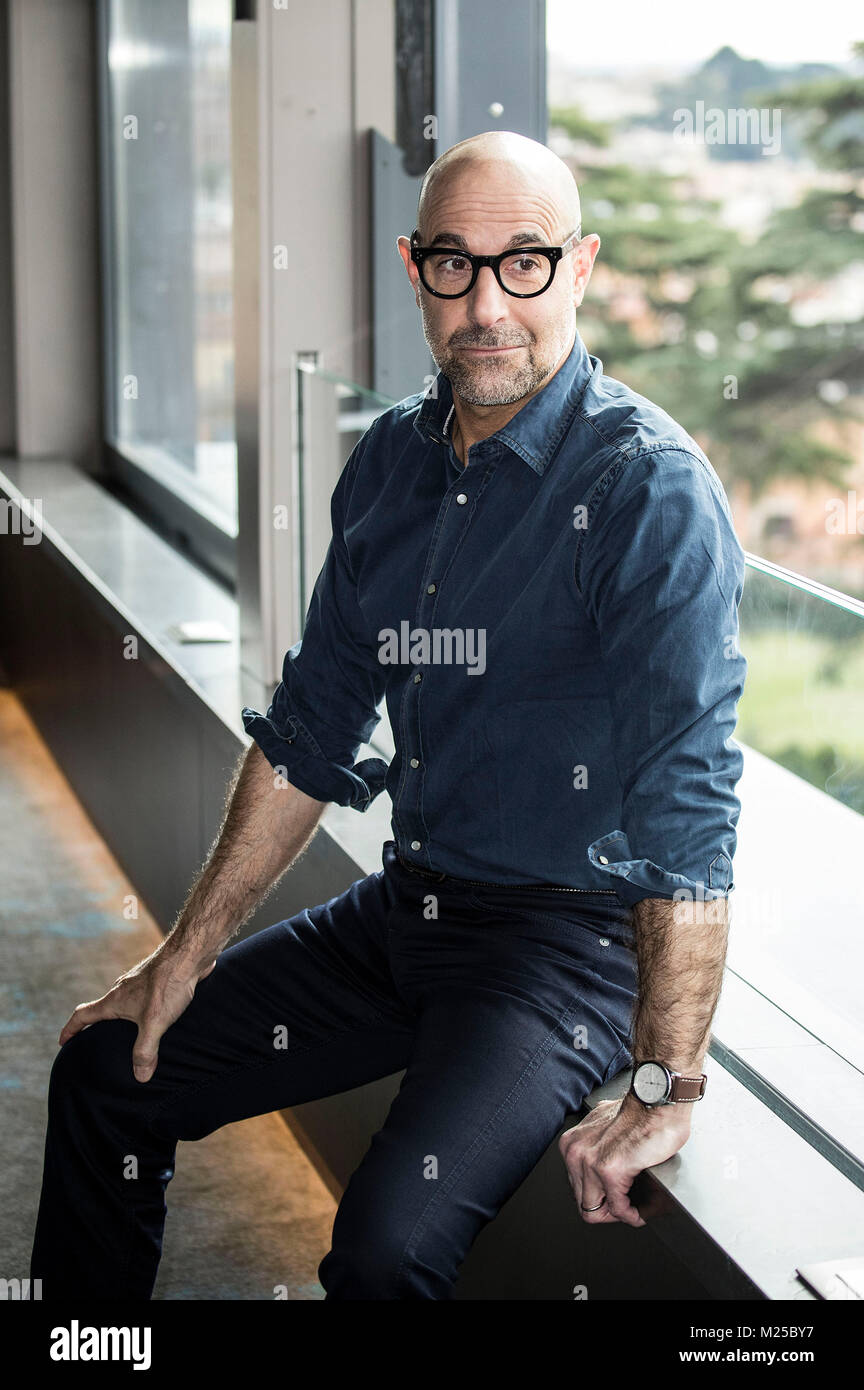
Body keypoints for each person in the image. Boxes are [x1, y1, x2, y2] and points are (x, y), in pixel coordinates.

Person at [30, 130, 747, 1300]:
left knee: (382, 1248)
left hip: (563, 957)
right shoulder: (388, 469)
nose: (486, 303)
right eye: (453, 265)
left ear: (579, 268)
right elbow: (311, 728)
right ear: (414, 270)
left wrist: (666, 1081)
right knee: (107, 1070)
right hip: (407, 911)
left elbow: (691, 809)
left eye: (523, 262)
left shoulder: (645, 490)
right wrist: (179, 956)